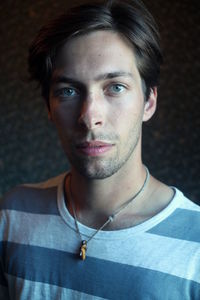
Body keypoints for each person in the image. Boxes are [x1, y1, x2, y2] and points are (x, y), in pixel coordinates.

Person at [0, 0, 200, 299]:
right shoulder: (12, 215)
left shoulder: (194, 244)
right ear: (48, 107)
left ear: (149, 102)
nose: (89, 116)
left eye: (115, 87)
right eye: (68, 91)